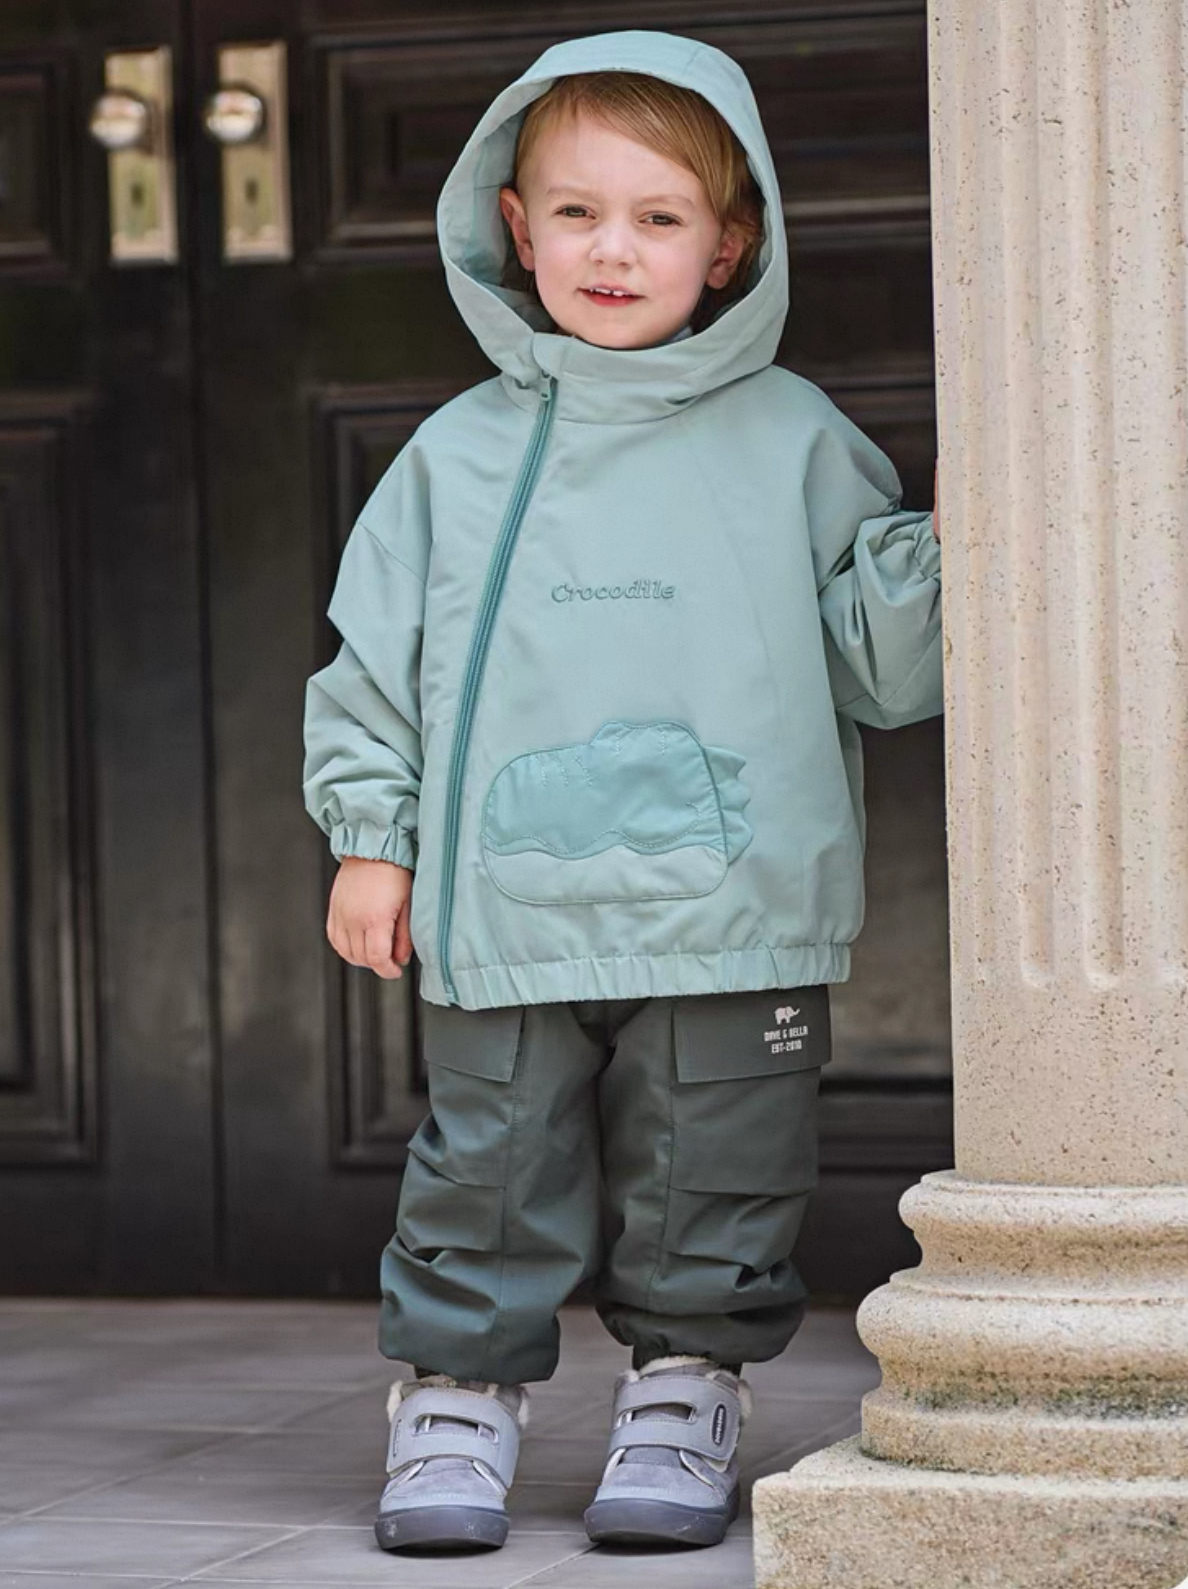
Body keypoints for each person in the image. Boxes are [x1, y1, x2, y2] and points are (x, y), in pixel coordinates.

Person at [302, 28, 942, 1556]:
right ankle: (455, 1391)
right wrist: (372, 838)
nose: (612, 249)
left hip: (734, 901)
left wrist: (964, 531)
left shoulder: (797, 438)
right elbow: (374, 666)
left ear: (730, 243)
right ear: (514, 228)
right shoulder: (457, 456)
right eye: (577, 212)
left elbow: (887, 671)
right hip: (510, 901)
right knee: (488, 1161)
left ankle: (684, 1384)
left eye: (659, 217)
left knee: (716, 1166)